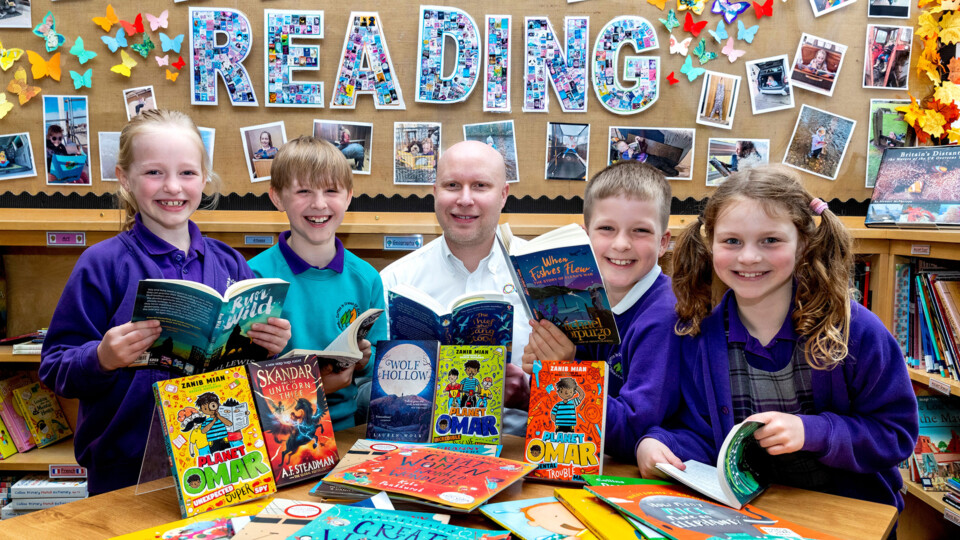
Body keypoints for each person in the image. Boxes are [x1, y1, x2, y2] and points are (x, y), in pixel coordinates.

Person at [39, 109, 291, 495]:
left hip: (222, 462)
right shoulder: (103, 263)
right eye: (154, 172)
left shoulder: (231, 263)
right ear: (124, 178)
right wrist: (101, 358)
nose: (173, 186)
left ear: (204, 179)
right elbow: (55, 366)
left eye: (187, 173)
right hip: (124, 469)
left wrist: (270, 346)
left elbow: (250, 367)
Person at [637, 166, 918, 512]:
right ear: (710, 244)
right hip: (757, 513)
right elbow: (703, 435)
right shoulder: (700, 335)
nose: (749, 257)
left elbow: (896, 434)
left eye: (770, 240)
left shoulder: (856, 331)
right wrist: (657, 443)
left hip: (847, 512)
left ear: (803, 243)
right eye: (732, 241)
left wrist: (812, 431)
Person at [521, 161, 681, 464]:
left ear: (663, 243)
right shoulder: (579, 299)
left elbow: (636, 432)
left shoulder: (666, 314)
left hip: (638, 474)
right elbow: (556, 413)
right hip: (583, 462)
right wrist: (541, 369)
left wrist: (563, 370)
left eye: (641, 231)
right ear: (585, 237)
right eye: (607, 228)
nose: (621, 244)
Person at [380, 140, 531, 435]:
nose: (464, 199)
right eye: (452, 185)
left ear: (503, 195)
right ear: (435, 194)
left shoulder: (541, 275)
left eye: (480, 186)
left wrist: (530, 393)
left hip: (519, 448)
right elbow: (370, 394)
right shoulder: (396, 281)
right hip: (420, 448)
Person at [248, 136, 387, 430]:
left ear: (348, 196)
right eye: (303, 191)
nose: (319, 203)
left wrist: (364, 359)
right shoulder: (254, 277)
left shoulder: (367, 278)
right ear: (277, 197)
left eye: (331, 190)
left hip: (344, 429)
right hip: (274, 430)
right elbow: (240, 376)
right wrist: (321, 383)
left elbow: (377, 370)